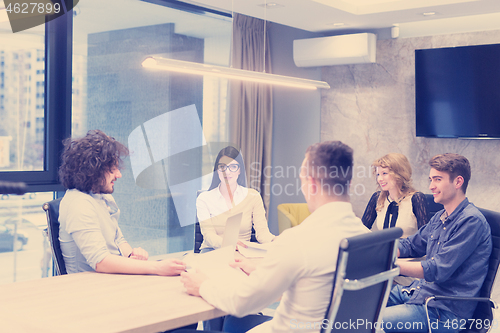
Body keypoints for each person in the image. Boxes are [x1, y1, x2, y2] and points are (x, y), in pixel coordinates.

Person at [181, 141, 370, 333]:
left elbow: (241, 302)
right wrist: (262, 270)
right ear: (349, 184)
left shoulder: (297, 240)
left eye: (302, 180)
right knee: (233, 324)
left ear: (311, 184)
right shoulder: (369, 238)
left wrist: (203, 285)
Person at [383, 153, 492, 333]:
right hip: (419, 293)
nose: (431, 186)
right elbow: (410, 245)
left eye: (437, 179)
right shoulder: (440, 217)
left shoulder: (472, 221)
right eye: (431, 179)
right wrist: (381, 252)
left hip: (443, 312)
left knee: (369, 322)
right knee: (357, 303)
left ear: (458, 182)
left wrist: (388, 263)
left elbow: (436, 270)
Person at [58, 130, 186, 276]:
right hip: (89, 288)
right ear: (92, 171)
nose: (118, 175)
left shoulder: (102, 197)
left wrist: (132, 256)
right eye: (112, 170)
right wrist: (156, 268)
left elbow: (118, 240)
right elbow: (100, 261)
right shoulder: (78, 204)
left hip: (111, 280)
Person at [196, 146, 275, 253]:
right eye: (222, 167)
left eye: (233, 167)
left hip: (242, 251)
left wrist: (274, 240)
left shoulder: (253, 196)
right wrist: (229, 244)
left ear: (239, 170)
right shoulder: (204, 199)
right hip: (212, 250)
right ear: (217, 170)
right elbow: (208, 234)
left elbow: (262, 233)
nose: (227, 172)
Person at [362, 153, 429, 238]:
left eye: (384, 173)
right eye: (378, 174)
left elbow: (424, 238)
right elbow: (362, 230)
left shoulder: (416, 198)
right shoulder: (377, 198)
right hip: (383, 249)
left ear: (399, 173)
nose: (379, 179)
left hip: (407, 250)